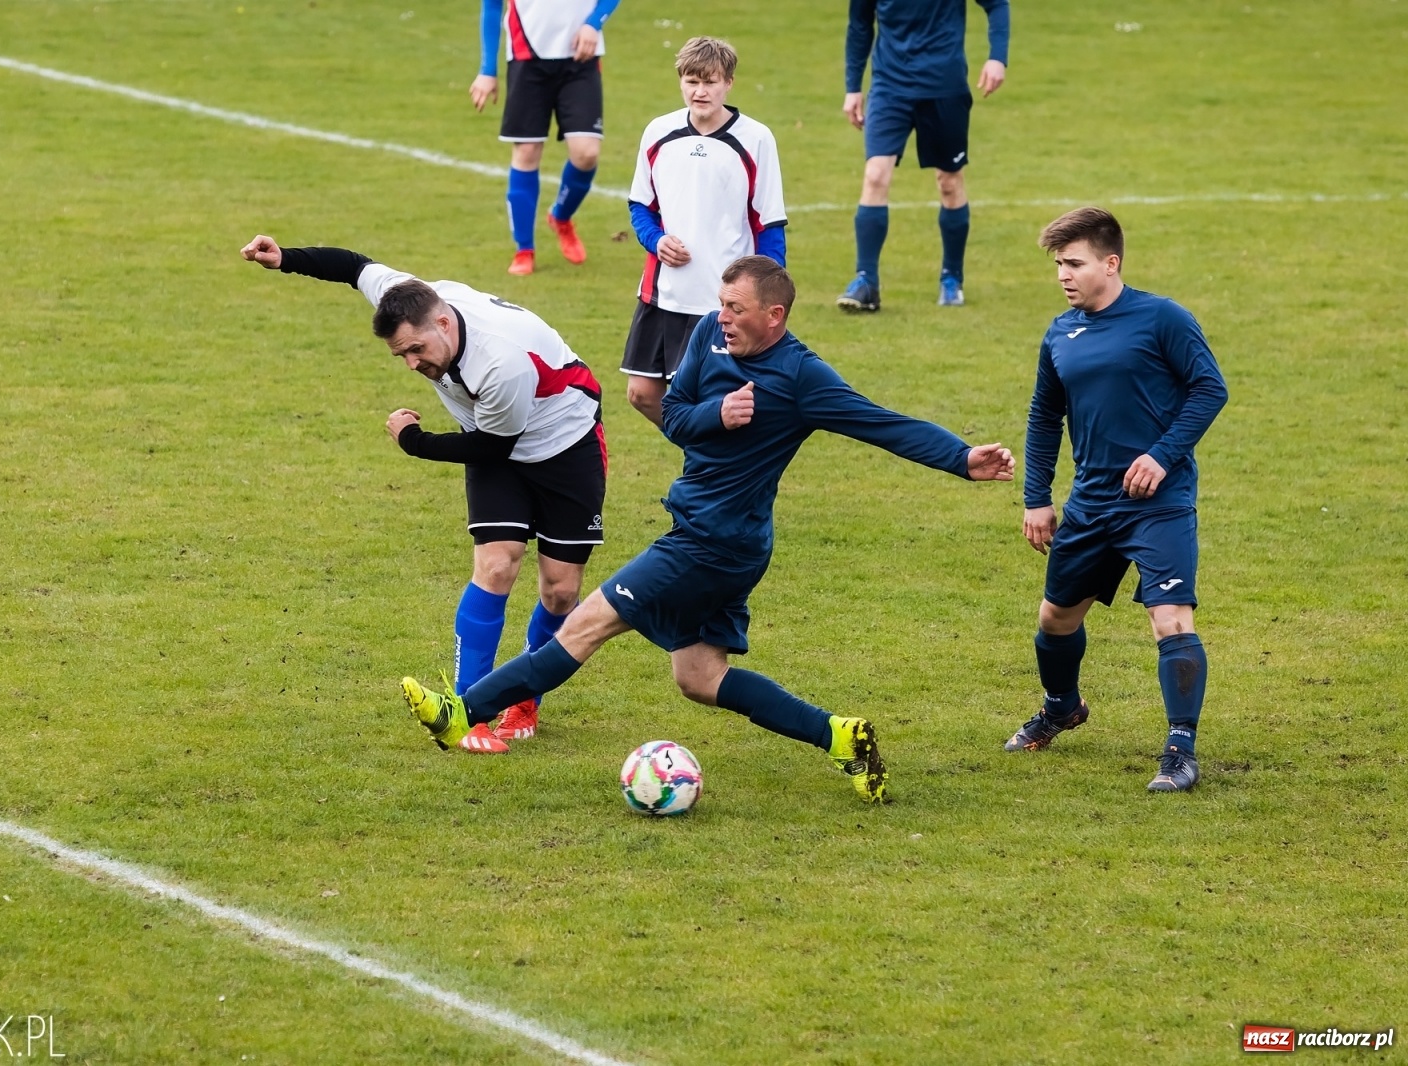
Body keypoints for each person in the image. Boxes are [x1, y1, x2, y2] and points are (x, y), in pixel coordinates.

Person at [401, 256, 1016, 804]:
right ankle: (839, 736)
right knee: (698, 677)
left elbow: (881, 423)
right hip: (718, 538)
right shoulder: (706, 336)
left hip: (712, 544)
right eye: (721, 305)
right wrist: (716, 416)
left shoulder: (802, 377)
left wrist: (962, 459)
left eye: (736, 309)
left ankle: (464, 710)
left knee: (586, 624)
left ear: (773, 316)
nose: (722, 317)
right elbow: (674, 416)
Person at [241, 234, 609, 752]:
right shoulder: (411, 299)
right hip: (493, 440)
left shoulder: (501, 360)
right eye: (401, 355)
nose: (413, 364)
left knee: (560, 590)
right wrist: (285, 260)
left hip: (562, 444)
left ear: (443, 323)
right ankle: (467, 712)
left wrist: (413, 442)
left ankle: (525, 699)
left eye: (417, 350)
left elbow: (490, 448)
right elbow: (354, 266)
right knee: (497, 566)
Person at [1007, 208, 1229, 793]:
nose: (1063, 275)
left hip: (1160, 499)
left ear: (1111, 262)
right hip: (1092, 502)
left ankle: (1180, 750)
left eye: (1074, 263)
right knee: (1055, 618)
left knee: (1171, 620)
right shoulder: (1060, 332)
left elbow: (1211, 388)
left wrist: (1162, 454)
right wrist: (1036, 497)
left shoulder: (1162, 319)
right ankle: (1062, 707)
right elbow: (1043, 415)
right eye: (1058, 264)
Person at [621, 36, 787, 427]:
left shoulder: (756, 139)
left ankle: (710, 471)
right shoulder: (658, 132)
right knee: (642, 394)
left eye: (710, 82)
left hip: (721, 304)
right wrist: (657, 240)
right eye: (692, 82)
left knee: (712, 403)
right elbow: (641, 206)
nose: (700, 92)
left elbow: (769, 226)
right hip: (663, 294)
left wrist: (767, 298)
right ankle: (705, 456)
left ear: (728, 83)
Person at [838, 0, 1009, 313]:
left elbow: (997, 4)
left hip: (945, 87)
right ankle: (866, 281)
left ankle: (951, 277)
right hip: (890, 87)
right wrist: (853, 87)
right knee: (875, 174)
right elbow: (860, 24)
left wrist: (997, 58)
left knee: (949, 182)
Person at [471, 0, 620, 276]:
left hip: (581, 58)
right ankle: (524, 249)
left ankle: (560, 217)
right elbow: (491, 7)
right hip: (527, 58)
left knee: (586, 154)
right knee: (526, 152)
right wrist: (487, 70)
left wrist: (593, 22)